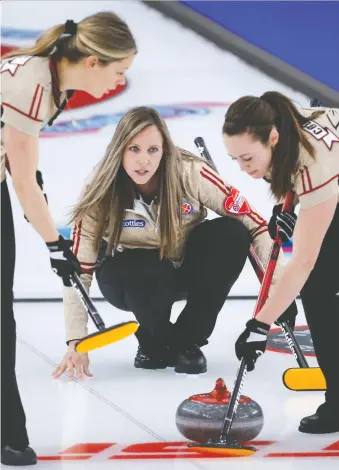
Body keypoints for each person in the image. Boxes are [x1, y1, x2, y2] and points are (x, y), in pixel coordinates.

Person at [53, 106, 298, 382]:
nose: (143, 160)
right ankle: (156, 339)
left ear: (164, 150)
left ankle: (186, 340)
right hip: (129, 278)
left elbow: (256, 224)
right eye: (134, 149)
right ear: (118, 149)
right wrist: (76, 341)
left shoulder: (190, 172)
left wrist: (280, 290)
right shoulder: (100, 188)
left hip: (181, 269)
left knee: (232, 233)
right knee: (149, 268)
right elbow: (78, 271)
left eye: (152, 150)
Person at [1, 12, 136, 466]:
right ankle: (8, 433)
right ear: (94, 61)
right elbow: (23, 184)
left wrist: (47, 231)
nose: (120, 83)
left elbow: (23, 171)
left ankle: (7, 432)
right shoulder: (34, 83)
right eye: (119, 72)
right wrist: (55, 246)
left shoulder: (50, 81)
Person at [222, 92, 339, 434]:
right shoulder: (285, 127)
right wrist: (291, 221)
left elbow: (302, 261)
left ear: (272, 138)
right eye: (235, 161)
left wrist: (261, 324)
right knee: (317, 288)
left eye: (247, 158)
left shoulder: (312, 161)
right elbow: (296, 247)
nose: (244, 170)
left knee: (316, 286)